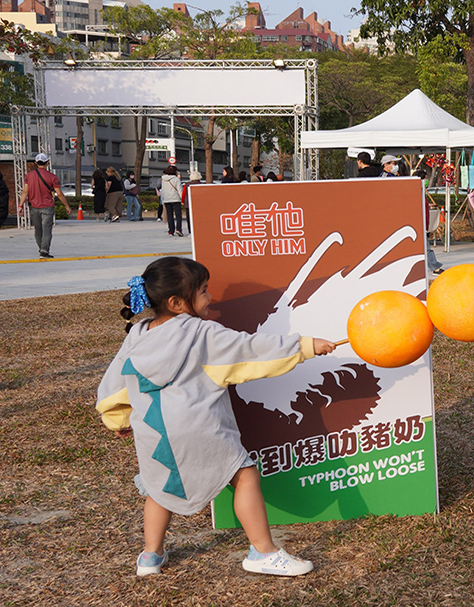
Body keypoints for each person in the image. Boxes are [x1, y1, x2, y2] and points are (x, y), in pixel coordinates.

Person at [96, 257, 337, 577]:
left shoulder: (137, 335)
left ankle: (150, 557)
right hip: (201, 428)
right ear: (177, 303)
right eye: (204, 291)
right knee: (244, 475)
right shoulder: (201, 334)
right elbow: (252, 350)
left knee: (158, 490)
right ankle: (263, 552)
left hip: (155, 436)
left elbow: (113, 387)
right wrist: (304, 346)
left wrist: (119, 419)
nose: (210, 298)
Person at [18, 153, 72, 258]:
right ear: (48, 163)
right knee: (47, 229)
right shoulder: (52, 177)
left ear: (35, 163)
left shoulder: (28, 176)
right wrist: (66, 205)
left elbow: (25, 192)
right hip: (47, 206)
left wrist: (20, 206)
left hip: (33, 206)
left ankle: (41, 248)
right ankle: (44, 250)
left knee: (38, 229)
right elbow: (59, 193)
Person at [413, 169, 445, 275]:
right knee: (427, 248)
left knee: (424, 248)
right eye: (425, 178)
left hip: (422, 223)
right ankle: (434, 267)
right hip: (418, 223)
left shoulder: (421, 191)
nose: (426, 181)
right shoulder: (416, 191)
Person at [160, 165, 184, 237]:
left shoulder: (163, 179)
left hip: (167, 199)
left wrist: (163, 200)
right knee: (178, 215)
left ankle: (171, 231)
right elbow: (180, 190)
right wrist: (182, 199)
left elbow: (163, 190)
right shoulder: (176, 179)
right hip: (176, 199)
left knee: (169, 215)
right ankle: (178, 229)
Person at [181, 170, 203, 234]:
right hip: (199, 204)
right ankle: (199, 230)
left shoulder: (187, 184)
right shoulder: (201, 184)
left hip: (189, 203)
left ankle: (190, 231)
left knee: (189, 218)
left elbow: (184, 194)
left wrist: (182, 201)